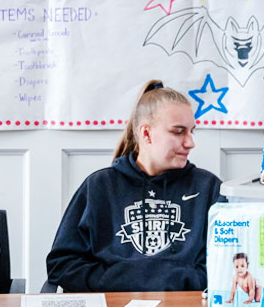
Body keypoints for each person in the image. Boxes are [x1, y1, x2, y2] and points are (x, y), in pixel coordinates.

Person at [47, 80, 222, 292]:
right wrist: (119, 281)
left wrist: (174, 281)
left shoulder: (209, 188)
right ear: (146, 134)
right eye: (178, 132)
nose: (190, 142)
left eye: (191, 131)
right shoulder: (99, 186)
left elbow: (226, 265)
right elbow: (62, 265)